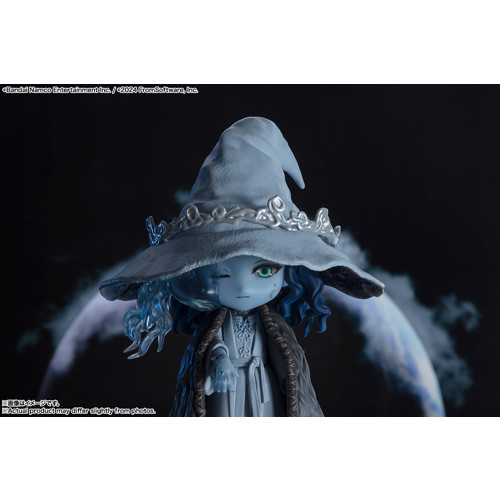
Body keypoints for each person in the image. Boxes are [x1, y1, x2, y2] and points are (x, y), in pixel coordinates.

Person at [99, 117, 384, 416]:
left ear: (291, 273)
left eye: (265, 270)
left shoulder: (274, 326)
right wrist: (219, 361)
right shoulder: (215, 325)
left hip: (264, 388)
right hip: (227, 389)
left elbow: (287, 364)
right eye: (220, 271)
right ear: (194, 273)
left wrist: (289, 389)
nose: (244, 287)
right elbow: (215, 346)